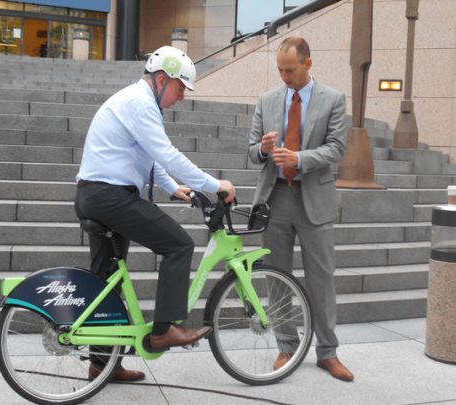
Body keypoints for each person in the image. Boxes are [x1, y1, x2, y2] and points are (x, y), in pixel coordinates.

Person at [75, 46, 236, 382]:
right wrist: (214, 184)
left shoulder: (136, 101)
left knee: (107, 283)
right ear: (162, 79)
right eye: (180, 88)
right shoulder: (139, 103)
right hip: (110, 196)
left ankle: (101, 365)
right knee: (178, 245)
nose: (181, 97)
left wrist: (171, 187)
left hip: (98, 195)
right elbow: (166, 153)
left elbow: (148, 156)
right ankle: (165, 329)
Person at [248, 37, 353, 382]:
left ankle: (328, 352)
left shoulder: (334, 99)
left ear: (309, 64)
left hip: (315, 201)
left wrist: (300, 159)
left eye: (290, 69)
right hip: (274, 199)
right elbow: (251, 151)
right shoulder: (266, 99)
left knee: (321, 280)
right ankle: (286, 346)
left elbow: (337, 148)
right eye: (280, 69)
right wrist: (263, 150)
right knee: (277, 277)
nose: (284, 76)